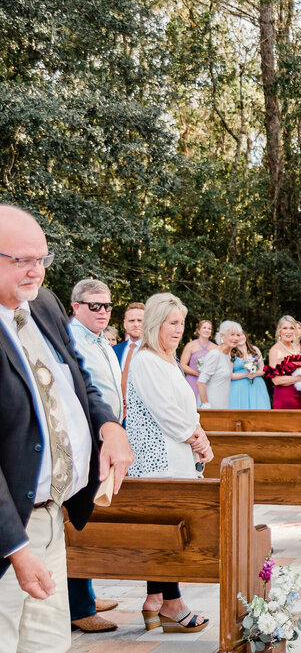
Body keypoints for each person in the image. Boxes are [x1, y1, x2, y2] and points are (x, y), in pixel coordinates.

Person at [0, 205, 133, 652]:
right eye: (22, 260)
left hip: (52, 515)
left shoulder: (44, 304)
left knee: (47, 644)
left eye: (43, 259)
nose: (37, 272)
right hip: (9, 530)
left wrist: (108, 425)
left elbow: (76, 376)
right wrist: (15, 548)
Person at [124, 292, 212, 633]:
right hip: (155, 459)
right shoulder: (145, 360)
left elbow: (186, 409)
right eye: (172, 323)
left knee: (164, 530)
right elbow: (166, 412)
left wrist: (199, 433)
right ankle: (172, 604)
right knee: (168, 533)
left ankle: (154, 601)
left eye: (182, 323)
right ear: (155, 324)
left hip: (174, 456)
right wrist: (198, 437)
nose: (179, 329)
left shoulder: (167, 359)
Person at [65, 279, 125, 633]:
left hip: (106, 437)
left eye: (107, 306)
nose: (102, 312)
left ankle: (85, 592)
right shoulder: (72, 339)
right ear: (75, 306)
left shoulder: (100, 340)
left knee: (89, 516)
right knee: (79, 518)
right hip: (87, 440)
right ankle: (79, 606)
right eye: (94, 306)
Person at [266, 316, 301, 410]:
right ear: (279, 331)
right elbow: (276, 380)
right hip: (285, 398)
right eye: (285, 328)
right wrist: (299, 378)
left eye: (291, 328)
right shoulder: (275, 350)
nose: (288, 331)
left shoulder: (297, 348)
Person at [196, 321, 244, 410]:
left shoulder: (228, 354)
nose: (235, 338)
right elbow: (201, 382)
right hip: (211, 406)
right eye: (232, 334)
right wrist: (205, 405)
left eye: (238, 335)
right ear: (222, 336)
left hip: (223, 404)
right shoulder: (215, 354)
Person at [178, 320, 215, 405]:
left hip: (208, 382)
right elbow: (182, 365)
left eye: (209, 328)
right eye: (204, 328)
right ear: (198, 330)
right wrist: (197, 374)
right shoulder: (190, 345)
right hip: (192, 380)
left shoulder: (215, 348)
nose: (207, 330)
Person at [114, 301, 144, 398]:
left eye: (140, 320)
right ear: (125, 324)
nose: (136, 324)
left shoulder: (157, 350)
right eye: (131, 321)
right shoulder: (114, 350)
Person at [229, 337, 270, 409]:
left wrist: (255, 374)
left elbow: (263, 369)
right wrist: (246, 375)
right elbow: (230, 375)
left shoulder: (255, 349)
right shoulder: (231, 352)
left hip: (256, 386)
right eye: (237, 336)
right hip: (239, 389)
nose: (240, 338)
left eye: (241, 335)